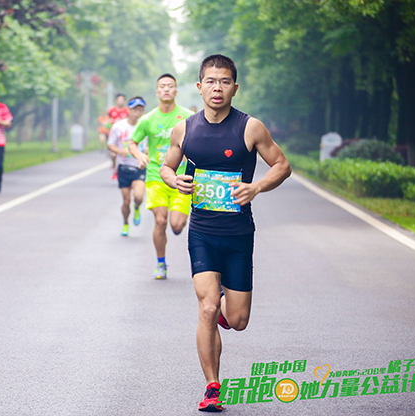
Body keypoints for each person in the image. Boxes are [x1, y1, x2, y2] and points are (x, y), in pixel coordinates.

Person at [159, 54, 291, 412]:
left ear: (235, 87)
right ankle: (212, 386)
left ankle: (223, 307)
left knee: (237, 320)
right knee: (206, 308)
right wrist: (175, 180)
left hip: (238, 235)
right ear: (199, 87)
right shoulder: (185, 129)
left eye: (225, 81)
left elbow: (282, 165)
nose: (217, 88)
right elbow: (166, 167)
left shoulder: (250, 128)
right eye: (211, 81)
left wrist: (256, 187)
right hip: (202, 232)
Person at [128, 74, 194, 280]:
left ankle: (176, 227)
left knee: (176, 226)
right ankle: (160, 263)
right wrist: (139, 155)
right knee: (160, 220)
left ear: (176, 91)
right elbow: (132, 143)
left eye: (170, 86)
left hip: (182, 178)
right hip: (156, 175)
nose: (166, 89)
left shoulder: (188, 117)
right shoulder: (148, 119)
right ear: (157, 91)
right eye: (162, 86)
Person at [107, 97, 147, 236]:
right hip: (124, 167)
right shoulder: (118, 126)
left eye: (140, 110)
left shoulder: (145, 126)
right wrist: (120, 151)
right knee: (126, 201)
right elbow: (110, 144)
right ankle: (125, 223)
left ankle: (137, 207)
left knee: (138, 197)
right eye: (135, 109)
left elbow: (150, 145)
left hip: (139, 167)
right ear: (129, 110)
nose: (137, 112)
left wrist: (146, 152)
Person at [108, 94, 129, 180]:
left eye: (122, 100)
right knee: (113, 154)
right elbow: (109, 120)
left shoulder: (127, 111)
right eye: (119, 100)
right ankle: (114, 167)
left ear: (124, 101)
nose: (120, 102)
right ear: (116, 101)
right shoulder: (111, 110)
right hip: (113, 135)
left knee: (123, 154)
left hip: (123, 136)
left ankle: (120, 171)